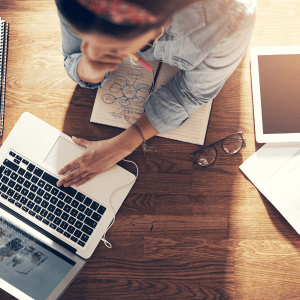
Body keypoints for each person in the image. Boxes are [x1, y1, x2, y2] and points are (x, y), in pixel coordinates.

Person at [55, 0, 256, 188]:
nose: (95, 45)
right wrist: (91, 65)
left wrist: (122, 146)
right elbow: (74, 56)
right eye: (86, 35)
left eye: (118, 47)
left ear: (157, 29)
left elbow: (191, 93)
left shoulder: (231, 17)